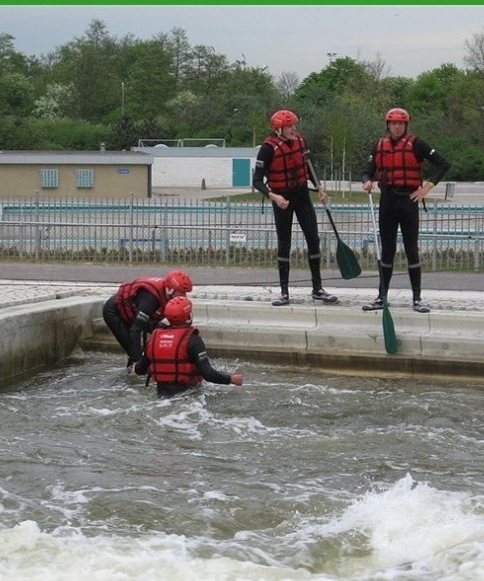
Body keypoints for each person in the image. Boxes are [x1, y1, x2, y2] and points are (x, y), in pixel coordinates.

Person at [361, 107, 451, 313]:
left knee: (412, 250)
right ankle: (381, 297)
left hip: (409, 201)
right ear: (388, 125)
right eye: (393, 123)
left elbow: (443, 164)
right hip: (388, 202)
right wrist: (367, 181)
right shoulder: (378, 145)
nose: (397, 126)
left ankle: (417, 299)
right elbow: (367, 170)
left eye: (400, 123)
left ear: (405, 125)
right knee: (387, 252)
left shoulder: (417, 144)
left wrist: (427, 187)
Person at [252, 109, 338, 307]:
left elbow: (309, 167)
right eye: (289, 126)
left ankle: (318, 289)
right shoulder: (267, 148)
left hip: (302, 197)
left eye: (294, 125)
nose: (294, 129)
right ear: (279, 128)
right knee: (285, 244)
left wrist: (320, 189)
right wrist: (273, 196)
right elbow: (257, 181)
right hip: (282, 199)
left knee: (314, 240)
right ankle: (284, 292)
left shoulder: (300, 141)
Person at [134, 296, 244, 397]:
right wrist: (232, 379)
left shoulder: (155, 338)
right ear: (188, 316)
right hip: (188, 399)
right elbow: (208, 374)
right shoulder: (193, 340)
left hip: (161, 400)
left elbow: (139, 370)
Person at [103, 269, 193, 370]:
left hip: (136, 312)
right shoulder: (151, 299)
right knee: (134, 353)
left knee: (164, 330)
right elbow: (135, 330)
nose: (184, 296)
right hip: (115, 313)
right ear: (170, 290)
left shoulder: (169, 296)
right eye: (181, 292)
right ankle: (133, 374)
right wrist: (138, 361)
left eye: (185, 293)